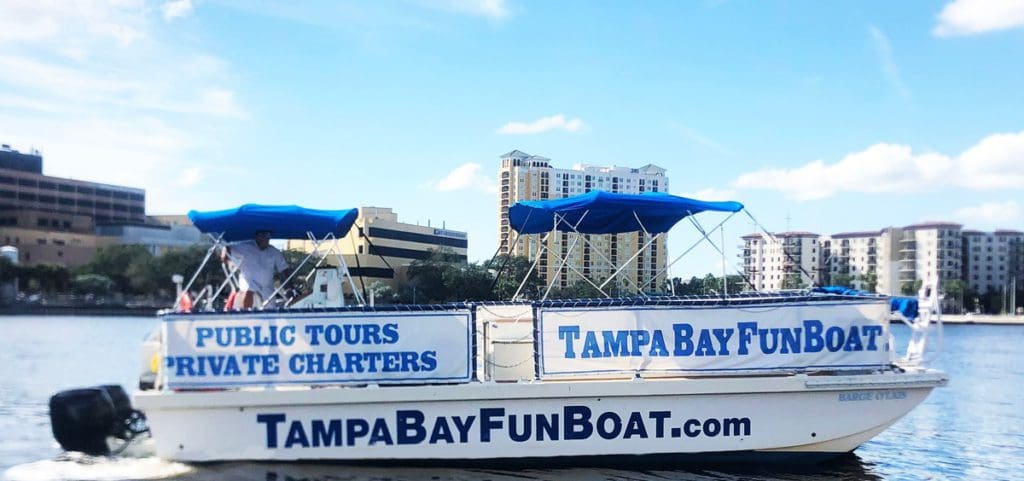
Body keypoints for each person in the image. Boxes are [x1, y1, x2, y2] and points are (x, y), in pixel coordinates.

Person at [222, 230, 291, 309]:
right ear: (257, 237)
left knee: (270, 306)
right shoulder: (245, 247)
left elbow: (284, 269)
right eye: (262, 236)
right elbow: (227, 249)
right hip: (248, 281)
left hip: (267, 287)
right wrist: (225, 252)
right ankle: (246, 314)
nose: (265, 239)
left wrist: (290, 287)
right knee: (249, 289)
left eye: (268, 236)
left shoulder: (274, 252)